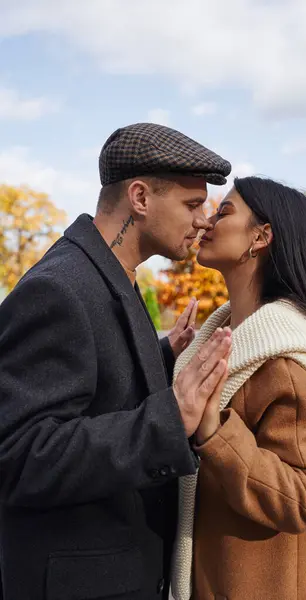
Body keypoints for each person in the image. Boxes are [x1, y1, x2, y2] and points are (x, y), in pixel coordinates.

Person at [0, 123, 233, 600]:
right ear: (141, 197)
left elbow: (92, 384)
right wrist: (172, 417)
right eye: (192, 204)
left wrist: (161, 354)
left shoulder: (108, 273)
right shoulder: (59, 289)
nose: (204, 220)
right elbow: (19, 456)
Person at [171, 177, 306, 600]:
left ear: (261, 237)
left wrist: (214, 431)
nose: (207, 222)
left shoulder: (284, 365)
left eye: (224, 212)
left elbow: (302, 500)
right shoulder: (229, 342)